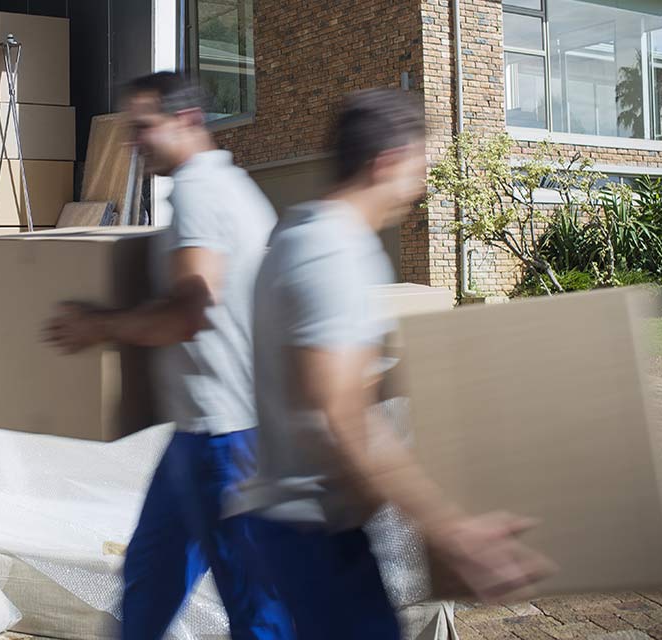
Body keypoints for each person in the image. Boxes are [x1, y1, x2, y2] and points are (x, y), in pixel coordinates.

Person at [230, 89, 554, 638]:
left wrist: (416, 368)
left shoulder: (297, 234)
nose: (423, 185)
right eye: (420, 166)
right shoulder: (334, 251)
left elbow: (320, 385)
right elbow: (342, 415)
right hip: (313, 534)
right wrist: (453, 531)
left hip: (306, 528)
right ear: (388, 162)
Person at [43, 72, 289, 640]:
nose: (135, 141)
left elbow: (189, 310)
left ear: (189, 121)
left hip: (228, 438)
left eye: (145, 127)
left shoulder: (204, 191)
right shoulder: (233, 186)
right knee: (150, 579)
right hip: (201, 433)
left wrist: (96, 326)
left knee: (257, 611)